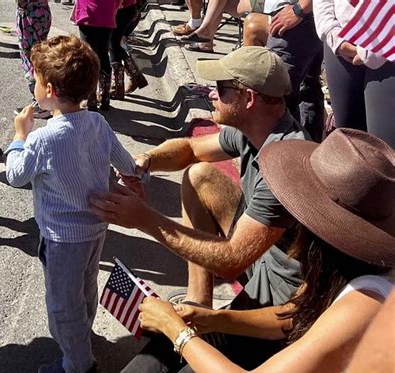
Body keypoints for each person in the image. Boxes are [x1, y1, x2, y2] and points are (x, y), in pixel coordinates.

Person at [0, 128, 394, 373]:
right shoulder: (347, 269)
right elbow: (291, 321)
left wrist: (178, 330)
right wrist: (208, 318)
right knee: (212, 336)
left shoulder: (367, 301)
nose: (291, 213)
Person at [93, 47, 307, 310]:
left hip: (281, 289)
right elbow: (192, 149)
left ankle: (201, 319)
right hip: (258, 254)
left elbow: (232, 259)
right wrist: (146, 160)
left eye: (221, 88)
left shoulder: (284, 164)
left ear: (248, 98)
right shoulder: (259, 127)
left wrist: (144, 219)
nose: (212, 94)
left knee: (172, 347)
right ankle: (198, 301)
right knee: (199, 175)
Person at [4, 35, 143, 373]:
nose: (33, 85)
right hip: (96, 228)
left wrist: (20, 136)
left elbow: (16, 175)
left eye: (34, 80)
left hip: (62, 237)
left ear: (49, 89)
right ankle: (83, 332)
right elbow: (128, 164)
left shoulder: (42, 139)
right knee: (85, 285)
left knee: (62, 303)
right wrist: (138, 175)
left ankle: (79, 366)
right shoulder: (97, 123)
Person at [313, 0, 395, 148]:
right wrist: (331, 32)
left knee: (385, 151)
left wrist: (374, 50)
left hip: (389, 48)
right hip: (341, 41)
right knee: (351, 145)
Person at [264, 0, 324, 142]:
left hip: (299, 17)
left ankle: (281, 157)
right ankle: (306, 153)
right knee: (307, 89)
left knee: (275, 93)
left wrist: (301, 8)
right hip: (306, 15)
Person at [71, 0, 119, 111]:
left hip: (88, 13)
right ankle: (105, 97)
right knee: (103, 53)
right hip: (108, 12)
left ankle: (91, 98)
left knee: (89, 55)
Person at [15, 0, 52, 119]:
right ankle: (44, 99)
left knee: (30, 58)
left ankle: (40, 102)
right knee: (40, 54)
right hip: (42, 11)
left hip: (30, 14)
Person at [181, 0, 264, 52]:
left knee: (219, 3)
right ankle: (204, 34)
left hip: (267, 5)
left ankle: (204, 33)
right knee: (218, 3)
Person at [110, 0, 148, 99]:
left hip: (121, 8)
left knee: (112, 44)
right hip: (120, 8)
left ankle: (118, 86)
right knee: (113, 44)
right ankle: (135, 77)